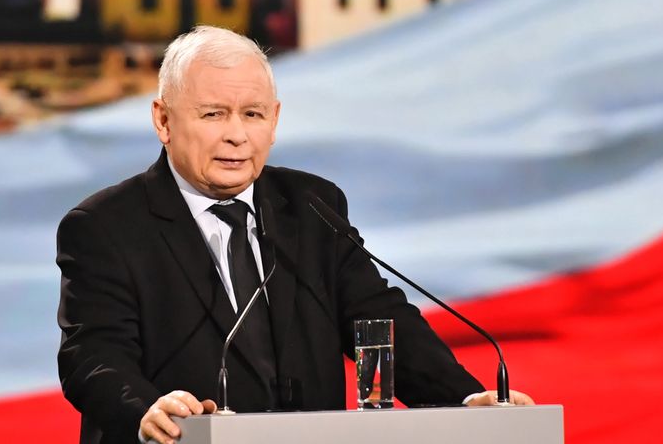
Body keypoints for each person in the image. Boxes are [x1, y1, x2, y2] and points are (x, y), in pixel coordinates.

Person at [56, 26, 533, 444]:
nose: (237, 135)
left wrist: (462, 399)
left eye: (253, 114)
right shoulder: (105, 226)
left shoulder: (312, 207)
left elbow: (376, 320)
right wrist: (144, 407)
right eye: (214, 114)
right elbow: (93, 354)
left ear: (275, 120)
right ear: (163, 120)